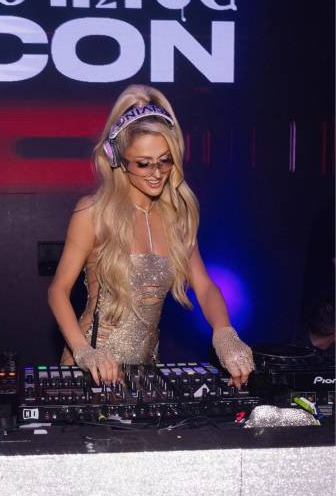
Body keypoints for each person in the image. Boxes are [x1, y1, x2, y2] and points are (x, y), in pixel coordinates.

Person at [48, 85, 254, 388]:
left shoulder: (178, 218)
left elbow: (204, 286)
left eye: (165, 160)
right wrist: (83, 352)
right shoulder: (93, 212)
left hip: (144, 372)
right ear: (118, 159)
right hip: (91, 370)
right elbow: (58, 290)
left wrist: (225, 333)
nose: (156, 173)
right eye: (144, 163)